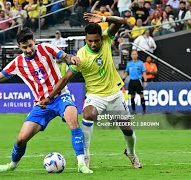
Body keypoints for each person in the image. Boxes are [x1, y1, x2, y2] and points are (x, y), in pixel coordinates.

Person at [0, 28, 93, 174]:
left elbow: (64, 56)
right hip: (41, 105)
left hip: (61, 96)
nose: (28, 49)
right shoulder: (17, 63)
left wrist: (72, 58)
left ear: (34, 42)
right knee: (21, 139)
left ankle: (81, 164)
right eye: (24, 47)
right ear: (19, 47)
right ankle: (12, 164)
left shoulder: (46, 48)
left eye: (30, 45)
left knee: (73, 122)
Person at [39, 13, 142, 169]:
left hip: (114, 94)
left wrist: (103, 19)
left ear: (102, 37)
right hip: (95, 96)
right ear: (85, 39)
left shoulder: (107, 39)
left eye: (96, 40)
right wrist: (49, 97)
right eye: (90, 41)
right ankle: (86, 156)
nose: (93, 44)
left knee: (127, 129)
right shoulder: (81, 55)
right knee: (88, 114)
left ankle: (131, 153)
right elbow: (65, 78)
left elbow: (121, 21)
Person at [122, 49, 147, 115]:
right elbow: (126, 72)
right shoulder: (129, 64)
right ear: (131, 55)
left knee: (141, 95)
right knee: (132, 96)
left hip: (138, 81)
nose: (134, 55)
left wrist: (145, 81)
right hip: (131, 81)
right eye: (133, 54)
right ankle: (133, 110)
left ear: (137, 55)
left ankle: (144, 110)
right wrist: (123, 80)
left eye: (135, 54)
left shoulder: (141, 63)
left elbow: (144, 72)